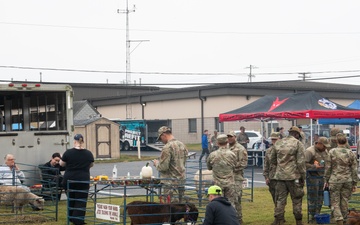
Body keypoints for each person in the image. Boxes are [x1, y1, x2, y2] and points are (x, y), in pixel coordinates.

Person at [270, 126, 306, 225]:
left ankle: (278, 220)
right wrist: (303, 176)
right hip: (294, 177)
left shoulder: (278, 142)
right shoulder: (298, 144)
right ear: (297, 134)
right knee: (297, 199)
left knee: (280, 199)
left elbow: (272, 160)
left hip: (280, 177)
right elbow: (301, 162)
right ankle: (298, 221)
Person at [324, 133, 358, 225]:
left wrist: (326, 180)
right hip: (348, 180)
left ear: (336, 141)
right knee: (344, 201)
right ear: (346, 141)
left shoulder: (331, 152)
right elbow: (354, 169)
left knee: (335, 202)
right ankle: (344, 219)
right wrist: (355, 183)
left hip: (335, 180)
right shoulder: (351, 153)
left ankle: (339, 219)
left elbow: (328, 168)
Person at [60, 134, 94, 225]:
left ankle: (71, 217)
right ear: (82, 141)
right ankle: (78, 219)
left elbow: (62, 164)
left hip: (69, 179)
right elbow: (91, 165)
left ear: (74, 141)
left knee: (71, 198)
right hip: (83, 179)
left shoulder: (68, 153)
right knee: (81, 200)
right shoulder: (88, 153)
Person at [152, 126, 188, 203]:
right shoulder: (182, 145)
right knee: (180, 207)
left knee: (171, 208)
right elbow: (184, 161)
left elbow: (163, 167)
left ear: (164, 135)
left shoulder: (167, 147)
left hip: (170, 183)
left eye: (161, 138)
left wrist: (156, 163)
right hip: (181, 181)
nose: (161, 141)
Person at [304, 136, 330, 222]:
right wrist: (314, 167)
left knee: (320, 196)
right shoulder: (310, 151)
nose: (325, 148)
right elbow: (303, 164)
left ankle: (317, 214)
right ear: (319, 144)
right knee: (313, 197)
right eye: (324, 146)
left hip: (322, 177)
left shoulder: (324, 150)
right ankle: (312, 216)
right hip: (313, 177)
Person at [207, 134, 237, 208]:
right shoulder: (232, 154)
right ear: (227, 142)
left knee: (218, 204)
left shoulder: (212, 155)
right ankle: (230, 218)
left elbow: (209, 167)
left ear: (217, 143)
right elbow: (234, 167)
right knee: (230, 204)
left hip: (217, 184)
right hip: (230, 183)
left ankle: (219, 218)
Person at [227, 131, 248, 224]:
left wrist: (231, 168)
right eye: (228, 137)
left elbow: (243, 163)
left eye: (231, 137)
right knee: (229, 199)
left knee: (236, 198)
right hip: (227, 177)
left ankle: (238, 219)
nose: (229, 139)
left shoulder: (240, 148)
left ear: (235, 137)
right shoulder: (226, 147)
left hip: (237, 177)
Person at [263, 132, 280, 206]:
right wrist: (266, 177)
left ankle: (279, 212)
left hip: (281, 177)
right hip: (272, 176)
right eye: (272, 139)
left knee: (280, 196)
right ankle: (277, 208)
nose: (274, 141)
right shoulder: (269, 151)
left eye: (275, 139)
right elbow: (266, 165)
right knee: (273, 194)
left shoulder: (283, 150)